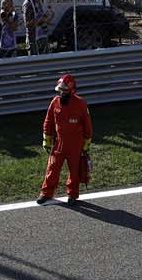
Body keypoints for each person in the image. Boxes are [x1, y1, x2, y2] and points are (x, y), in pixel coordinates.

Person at [38, 73, 92, 205]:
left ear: (71, 90)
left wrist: (86, 144)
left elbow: (88, 126)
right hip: (59, 144)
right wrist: (47, 139)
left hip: (76, 145)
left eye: (64, 90)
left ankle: (72, 195)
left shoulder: (81, 104)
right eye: (60, 90)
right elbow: (48, 121)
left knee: (75, 171)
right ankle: (46, 193)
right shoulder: (55, 102)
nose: (61, 93)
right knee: (52, 169)